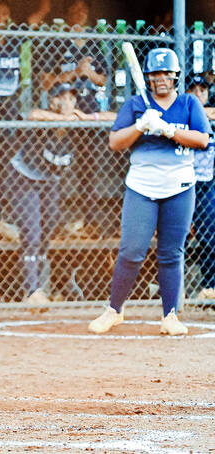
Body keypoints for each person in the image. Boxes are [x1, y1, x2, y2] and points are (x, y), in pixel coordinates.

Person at [88, 49, 211, 335]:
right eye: (155, 74)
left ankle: (170, 315)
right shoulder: (135, 105)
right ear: (148, 77)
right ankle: (114, 310)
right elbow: (116, 142)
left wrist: (167, 129)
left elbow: (202, 139)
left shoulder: (188, 103)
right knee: (131, 250)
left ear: (175, 76)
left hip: (179, 188)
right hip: (141, 188)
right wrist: (140, 125)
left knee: (171, 253)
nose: (161, 78)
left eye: (167, 73)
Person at [9, 82, 90, 303]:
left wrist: (84, 118)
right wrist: (65, 118)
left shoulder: (77, 127)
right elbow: (32, 114)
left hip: (50, 182)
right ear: (51, 101)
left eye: (71, 98)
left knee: (48, 229)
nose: (66, 102)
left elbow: (111, 117)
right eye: (60, 98)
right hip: (25, 178)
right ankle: (32, 290)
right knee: (32, 231)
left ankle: (39, 285)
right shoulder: (43, 119)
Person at [186, 75, 215, 299]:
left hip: (206, 184)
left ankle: (208, 286)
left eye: (202, 90)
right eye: (193, 89)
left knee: (208, 234)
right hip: (181, 181)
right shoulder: (181, 112)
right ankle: (160, 285)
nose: (198, 93)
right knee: (174, 234)